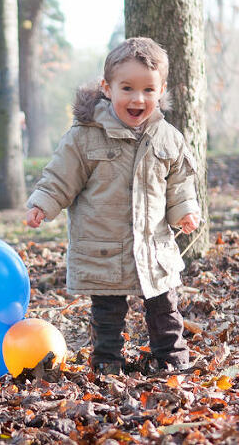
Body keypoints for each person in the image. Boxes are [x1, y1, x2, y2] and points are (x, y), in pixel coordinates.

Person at [25, 37, 201, 375]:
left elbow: (179, 183)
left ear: (161, 91)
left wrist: (185, 211)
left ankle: (170, 358)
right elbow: (61, 176)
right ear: (107, 88)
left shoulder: (168, 137)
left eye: (149, 90)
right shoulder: (86, 136)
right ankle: (108, 361)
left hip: (152, 246)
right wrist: (43, 204)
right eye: (127, 88)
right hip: (104, 245)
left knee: (164, 307)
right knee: (107, 312)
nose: (138, 99)